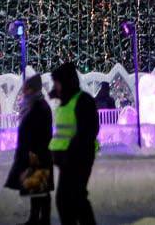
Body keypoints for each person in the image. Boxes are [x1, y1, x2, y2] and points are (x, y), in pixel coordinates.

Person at [49, 63, 99, 225]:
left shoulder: (83, 101)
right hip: (66, 160)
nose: (55, 86)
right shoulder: (65, 101)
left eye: (57, 82)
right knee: (66, 200)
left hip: (78, 158)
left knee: (75, 198)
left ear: (66, 82)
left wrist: (70, 154)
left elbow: (87, 132)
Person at [7, 74, 54, 225]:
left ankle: (43, 219)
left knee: (41, 188)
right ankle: (35, 218)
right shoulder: (32, 105)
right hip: (32, 152)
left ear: (32, 89)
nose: (23, 91)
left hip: (38, 153)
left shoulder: (39, 106)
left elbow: (42, 132)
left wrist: (34, 151)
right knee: (36, 188)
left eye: (26, 88)